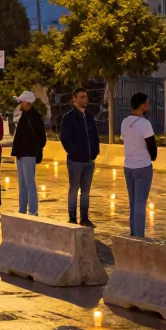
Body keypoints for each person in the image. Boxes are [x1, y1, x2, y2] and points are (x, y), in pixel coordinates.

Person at [59, 86, 100, 226]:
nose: (85, 99)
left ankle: (84, 217)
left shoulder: (89, 117)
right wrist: (74, 152)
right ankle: (72, 217)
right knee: (74, 189)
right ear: (74, 99)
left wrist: (95, 152)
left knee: (86, 191)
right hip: (75, 160)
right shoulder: (69, 118)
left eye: (85, 96)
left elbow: (94, 135)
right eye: (81, 97)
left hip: (89, 160)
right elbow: (65, 138)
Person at [121, 92, 158, 237]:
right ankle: (139, 236)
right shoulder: (145, 124)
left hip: (128, 166)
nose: (147, 105)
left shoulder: (125, 122)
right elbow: (152, 146)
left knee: (133, 202)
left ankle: (133, 233)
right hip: (142, 166)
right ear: (141, 105)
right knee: (140, 203)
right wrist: (152, 157)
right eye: (146, 103)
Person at [11, 90, 46, 215]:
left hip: (28, 154)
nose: (20, 103)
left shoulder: (35, 117)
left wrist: (33, 148)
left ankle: (33, 210)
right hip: (21, 153)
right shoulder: (24, 116)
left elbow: (41, 138)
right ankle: (22, 209)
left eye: (22, 101)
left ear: (28, 102)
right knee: (22, 184)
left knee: (30, 183)